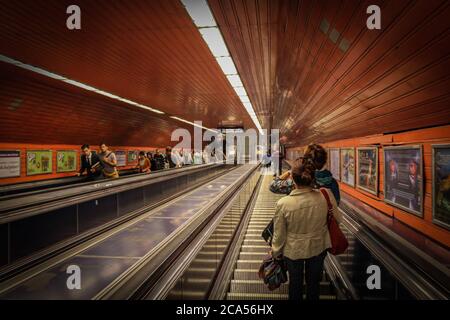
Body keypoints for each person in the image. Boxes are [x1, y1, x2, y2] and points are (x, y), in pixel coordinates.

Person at [271, 161, 342, 300]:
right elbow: (338, 219)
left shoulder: (283, 204)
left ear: (293, 180)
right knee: (314, 284)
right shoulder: (325, 195)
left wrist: (276, 252)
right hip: (318, 247)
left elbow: (279, 235)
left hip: (293, 251)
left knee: (295, 284)